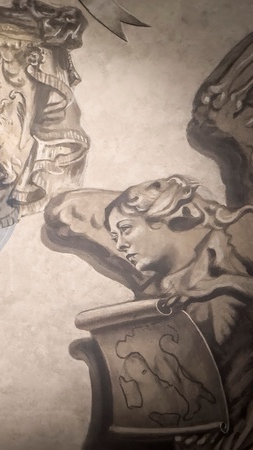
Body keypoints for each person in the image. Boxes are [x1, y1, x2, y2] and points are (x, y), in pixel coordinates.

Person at [104, 175, 253, 450]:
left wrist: (225, 284)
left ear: (162, 215)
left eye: (125, 229)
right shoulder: (154, 295)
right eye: (114, 237)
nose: (119, 245)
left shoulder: (237, 236)